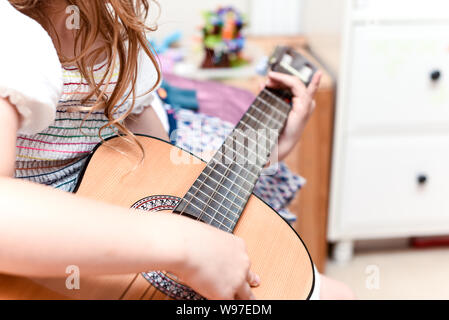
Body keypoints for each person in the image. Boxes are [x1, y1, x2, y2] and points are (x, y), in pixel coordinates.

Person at [0, 0, 354, 300]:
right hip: (58, 235)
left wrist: (262, 152)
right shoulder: (13, 36)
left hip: (117, 177)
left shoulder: (114, 21)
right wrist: (185, 244)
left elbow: (155, 156)